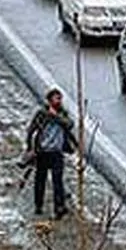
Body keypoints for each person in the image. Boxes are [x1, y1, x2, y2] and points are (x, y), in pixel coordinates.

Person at [25, 87, 76, 218]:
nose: (59, 101)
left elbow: (70, 125)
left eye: (60, 98)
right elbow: (31, 131)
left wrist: (56, 116)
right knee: (40, 180)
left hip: (57, 153)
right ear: (49, 100)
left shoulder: (62, 114)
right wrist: (30, 149)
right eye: (56, 98)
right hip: (42, 152)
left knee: (57, 181)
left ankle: (59, 207)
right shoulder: (41, 114)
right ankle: (38, 205)